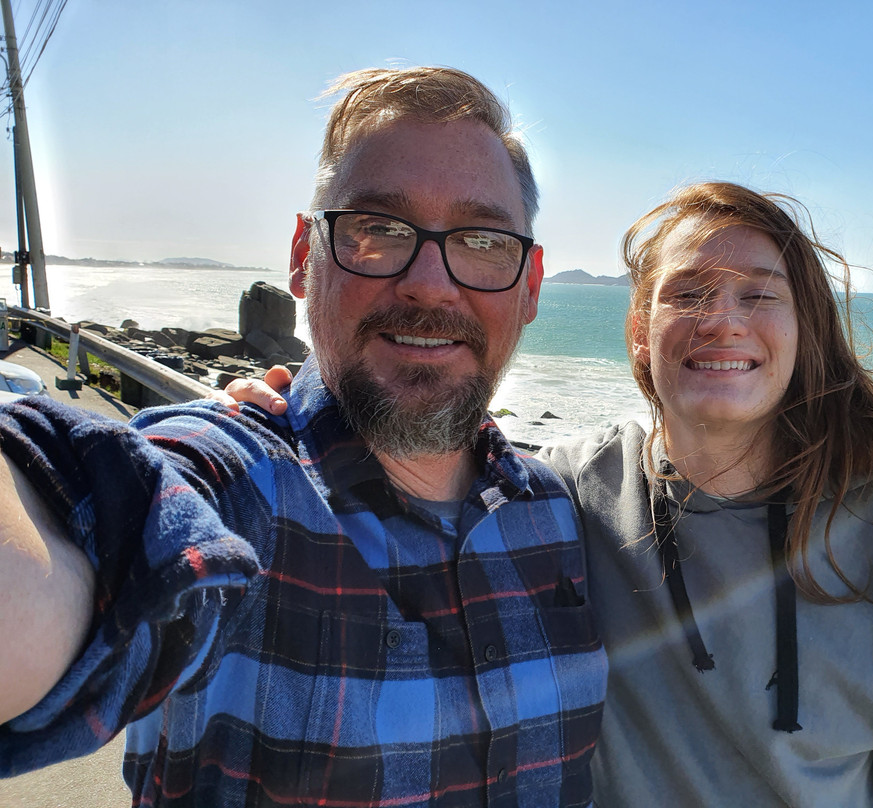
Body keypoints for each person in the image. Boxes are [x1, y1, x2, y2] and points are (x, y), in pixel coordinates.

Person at [231, 181, 873, 806]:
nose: (723, 322)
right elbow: (417, 459)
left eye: (760, 297)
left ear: (806, 333)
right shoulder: (561, 494)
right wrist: (290, 414)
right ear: (639, 328)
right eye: (689, 294)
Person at [0, 66, 606, 807]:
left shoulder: (556, 513)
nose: (431, 283)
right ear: (301, 256)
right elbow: (109, 515)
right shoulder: (243, 486)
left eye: (481, 240)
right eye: (378, 228)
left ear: (532, 285)